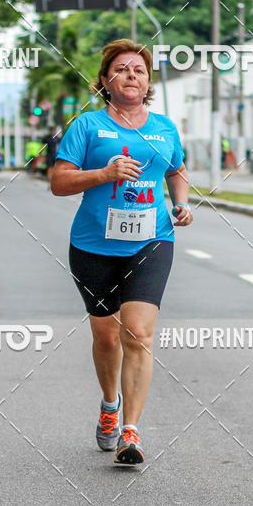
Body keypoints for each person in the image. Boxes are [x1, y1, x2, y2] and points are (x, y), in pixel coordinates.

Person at [51, 39, 192, 466]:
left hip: (152, 239)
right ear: (106, 80)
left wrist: (181, 202)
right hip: (93, 245)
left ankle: (131, 431)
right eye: (122, 69)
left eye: (140, 70)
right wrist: (104, 172)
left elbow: (177, 168)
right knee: (106, 335)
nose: (133, 75)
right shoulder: (87, 126)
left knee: (138, 333)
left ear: (148, 82)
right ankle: (109, 404)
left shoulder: (164, 127)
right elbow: (59, 182)